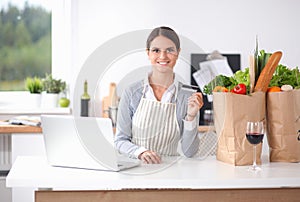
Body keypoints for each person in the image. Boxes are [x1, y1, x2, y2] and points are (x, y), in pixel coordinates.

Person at [115, 26, 203, 164]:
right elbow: (120, 141)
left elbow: (189, 152)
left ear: (178, 53)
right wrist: (140, 152)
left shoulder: (187, 97)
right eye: (156, 50)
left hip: (171, 172)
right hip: (136, 170)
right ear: (148, 53)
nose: (163, 56)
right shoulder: (132, 92)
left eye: (169, 50)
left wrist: (191, 116)